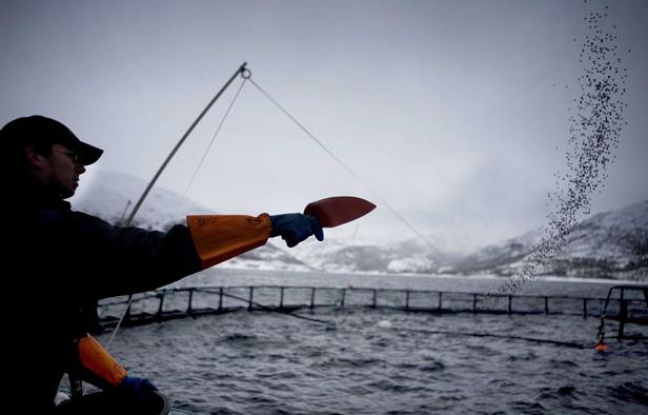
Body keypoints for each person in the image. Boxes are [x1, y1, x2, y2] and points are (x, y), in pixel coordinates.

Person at [1, 115, 324, 414]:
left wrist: (119, 380)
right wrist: (266, 227)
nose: (81, 167)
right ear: (35, 156)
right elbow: (156, 253)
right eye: (73, 155)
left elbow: (53, 333)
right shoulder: (44, 229)